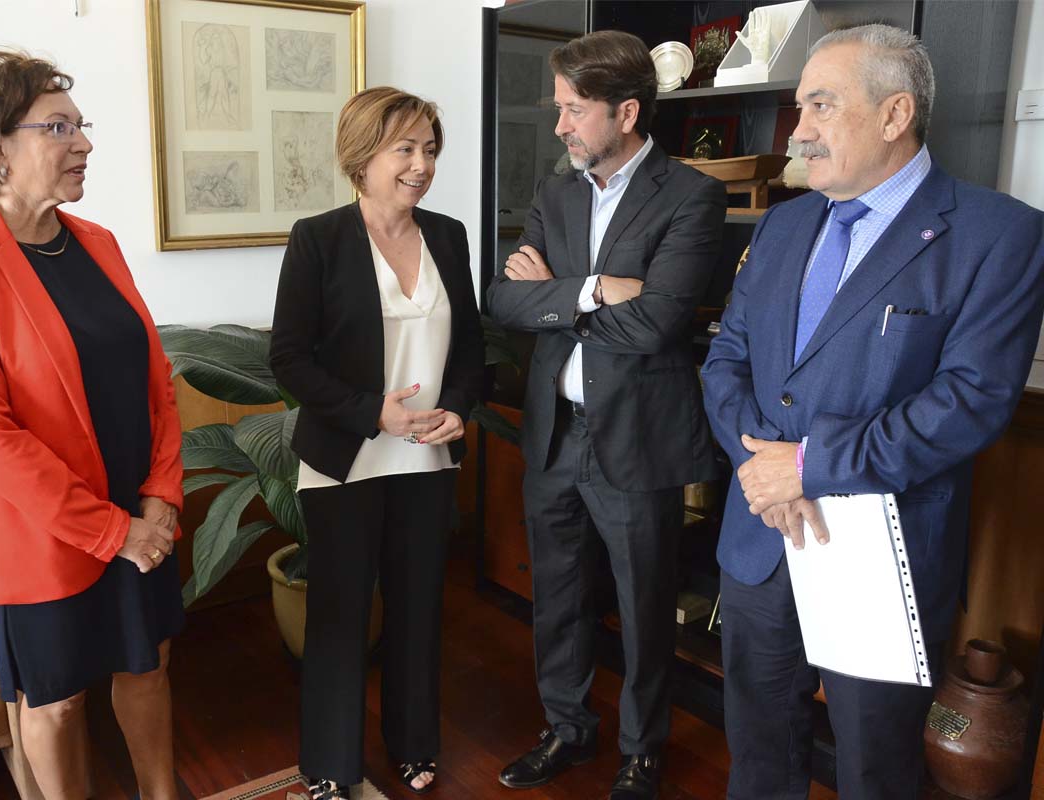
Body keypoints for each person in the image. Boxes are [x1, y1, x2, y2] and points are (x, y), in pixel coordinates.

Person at [700, 24, 1044, 799]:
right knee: (757, 752)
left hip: (881, 555)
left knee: (873, 767)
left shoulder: (1000, 235)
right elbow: (726, 357)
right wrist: (762, 467)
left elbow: (969, 404)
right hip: (759, 536)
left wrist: (810, 467)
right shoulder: (785, 223)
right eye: (798, 108)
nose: (800, 131)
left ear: (895, 115)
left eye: (822, 105)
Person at [0, 50, 185, 800]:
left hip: (139, 513)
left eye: (80, 124)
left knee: (147, 669)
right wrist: (110, 530)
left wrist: (158, 499)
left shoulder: (98, 244)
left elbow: (155, 380)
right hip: (39, 532)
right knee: (57, 703)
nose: (84, 143)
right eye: (58, 127)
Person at [487, 30, 727, 800]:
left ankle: (641, 750)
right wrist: (594, 290)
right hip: (556, 433)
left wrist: (556, 293)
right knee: (556, 596)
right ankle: (566, 729)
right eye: (559, 109)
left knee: (644, 604)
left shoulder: (691, 195)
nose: (559, 126)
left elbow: (657, 324)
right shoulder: (555, 193)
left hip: (636, 441)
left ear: (626, 111)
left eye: (572, 111)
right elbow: (504, 299)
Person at [269, 86, 484, 800]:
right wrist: (372, 413)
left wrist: (457, 407)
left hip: (427, 460)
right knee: (338, 617)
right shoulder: (319, 238)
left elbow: (472, 352)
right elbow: (290, 359)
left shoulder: (448, 236)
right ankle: (330, 764)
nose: (421, 164)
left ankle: (414, 742)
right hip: (346, 460)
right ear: (363, 156)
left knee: (420, 608)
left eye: (429, 149)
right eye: (406, 149)